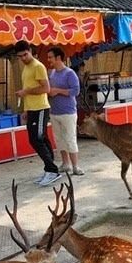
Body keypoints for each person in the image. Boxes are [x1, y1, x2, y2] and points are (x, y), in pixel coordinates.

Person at [13, 41, 62, 186]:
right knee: (41, 138)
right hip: (32, 109)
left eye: (25, 55)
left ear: (30, 51)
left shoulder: (38, 66)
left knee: (36, 139)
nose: (23, 58)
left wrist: (26, 92)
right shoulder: (26, 68)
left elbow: (46, 89)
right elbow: (29, 88)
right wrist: (26, 110)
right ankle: (50, 169)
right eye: (20, 56)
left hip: (40, 108)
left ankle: (52, 170)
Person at [46, 47, 83, 176]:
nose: (49, 60)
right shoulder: (51, 74)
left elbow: (75, 91)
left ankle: (75, 166)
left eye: (50, 57)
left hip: (68, 112)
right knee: (59, 139)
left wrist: (58, 91)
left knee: (70, 138)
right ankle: (65, 164)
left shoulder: (69, 73)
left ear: (58, 58)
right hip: (54, 112)